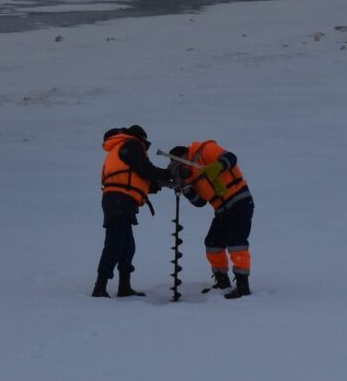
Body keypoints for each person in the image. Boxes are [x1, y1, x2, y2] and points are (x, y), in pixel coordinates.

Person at [168, 140, 255, 299]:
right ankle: (222, 281)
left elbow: (230, 158)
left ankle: (243, 286)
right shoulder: (191, 175)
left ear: (185, 156)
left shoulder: (205, 150)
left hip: (239, 201)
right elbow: (199, 202)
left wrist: (218, 166)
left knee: (237, 242)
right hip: (222, 210)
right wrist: (186, 189)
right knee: (213, 243)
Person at [96, 125, 168, 298]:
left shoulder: (122, 148)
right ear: (141, 138)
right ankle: (100, 287)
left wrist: (153, 185)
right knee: (115, 243)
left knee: (127, 246)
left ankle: (124, 287)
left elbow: (134, 176)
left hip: (119, 199)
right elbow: (145, 169)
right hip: (119, 199)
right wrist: (167, 174)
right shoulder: (131, 145)